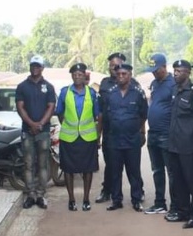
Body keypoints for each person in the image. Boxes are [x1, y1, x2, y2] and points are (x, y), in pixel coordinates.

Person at [165, 59, 193, 228]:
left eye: (179, 71)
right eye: (175, 70)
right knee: (178, 180)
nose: (176, 73)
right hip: (174, 144)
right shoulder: (175, 91)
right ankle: (183, 211)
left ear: (187, 73)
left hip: (189, 145)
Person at [100, 63, 148, 211]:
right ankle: (116, 200)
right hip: (114, 139)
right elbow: (105, 117)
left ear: (130, 75)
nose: (121, 76)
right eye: (119, 74)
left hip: (132, 139)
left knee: (133, 171)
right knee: (115, 171)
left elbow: (143, 115)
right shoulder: (110, 94)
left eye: (124, 74)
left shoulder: (138, 93)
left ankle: (136, 199)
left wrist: (140, 132)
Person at [56, 63, 102, 212]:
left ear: (85, 76)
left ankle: (86, 199)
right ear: (72, 76)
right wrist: (69, 125)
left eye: (80, 74)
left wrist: (98, 135)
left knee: (88, 169)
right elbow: (60, 113)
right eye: (74, 74)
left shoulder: (92, 93)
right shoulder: (65, 92)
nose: (77, 77)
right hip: (69, 137)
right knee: (68, 169)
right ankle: (71, 199)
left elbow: (97, 115)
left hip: (88, 137)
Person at [16, 55, 56, 209]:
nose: (35, 68)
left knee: (43, 165)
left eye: (38, 65)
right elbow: (20, 107)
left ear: (42, 67)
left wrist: (40, 124)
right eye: (33, 65)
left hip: (43, 132)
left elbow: (51, 107)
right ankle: (30, 195)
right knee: (28, 164)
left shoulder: (49, 86)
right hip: (27, 131)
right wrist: (31, 124)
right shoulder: (22, 86)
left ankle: (40, 195)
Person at [96, 52, 130, 204]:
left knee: (130, 165)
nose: (114, 69)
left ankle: (138, 192)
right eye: (111, 66)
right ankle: (107, 191)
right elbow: (101, 109)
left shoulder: (131, 83)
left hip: (127, 131)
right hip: (109, 130)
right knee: (110, 164)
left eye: (116, 66)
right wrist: (99, 133)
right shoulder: (104, 83)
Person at [144, 53, 175, 214]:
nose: (154, 73)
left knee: (171, 171)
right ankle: (159, 202)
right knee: (156, 170)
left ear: (164, 66)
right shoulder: (154, 84)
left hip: (166, 133)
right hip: (153, 133)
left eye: (157, 69)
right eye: (152, 70)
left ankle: (175, 205)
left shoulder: (173, 83)